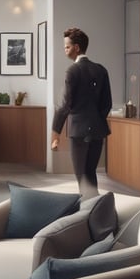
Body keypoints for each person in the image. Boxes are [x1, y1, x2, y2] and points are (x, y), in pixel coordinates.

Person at [51, 27, 113, 199]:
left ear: (77, 48)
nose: (65, 50)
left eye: (67, 47)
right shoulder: (101, 70)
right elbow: (107, 103)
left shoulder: (72, 71)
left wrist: (55, 132)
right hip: (98, 131)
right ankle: (95, 209)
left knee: (81, 176)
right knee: (90, 173)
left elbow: (64, 105)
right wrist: (95, 121)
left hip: (78, 131)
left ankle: (89, 211)